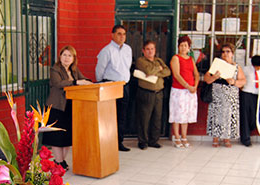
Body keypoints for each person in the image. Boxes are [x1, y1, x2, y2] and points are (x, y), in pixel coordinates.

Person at [45, 45, 92, 169]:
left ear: (73, 58)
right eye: (64, 55)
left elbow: (83, 79)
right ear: (60, 57)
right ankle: (59, 161)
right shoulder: (55, 69)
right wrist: (76, 82)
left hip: (70, 107)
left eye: (69, 56)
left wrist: (88, 82)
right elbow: (58, 83)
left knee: (66, 137)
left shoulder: (74, 70)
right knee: (56, 137)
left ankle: (60, 161)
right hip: (57, 107)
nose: (66, 58)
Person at [96, 24, 133, 152]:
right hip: (110, 86)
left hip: (124, 85)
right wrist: (103, 85)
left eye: (124, 34)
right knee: (110, 116)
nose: (122, 36)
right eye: (119, 34)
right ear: (112, 35)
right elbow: (99, 70)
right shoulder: (106, 50)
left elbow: (126, 67)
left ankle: (119, 142)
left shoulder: (128, 49)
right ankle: (108, 143)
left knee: (122, 116)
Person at [204, 43, 246, 147]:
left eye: (228, 51)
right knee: (216, 116)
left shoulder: (236, 67)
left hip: (231, 96)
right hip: (217, 95)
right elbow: (207, 79)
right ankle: (215, 138)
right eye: (223, 52)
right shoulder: (216, 65)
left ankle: (227, 138)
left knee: (229, 116)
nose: (225, 54)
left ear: (232, 54)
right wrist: (214, 77)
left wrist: (234, 82)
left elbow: (243, 81)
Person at [135, 39, 171, 150]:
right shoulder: (141, 61)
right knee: (144, 119)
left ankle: (153, 140)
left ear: (155, 50)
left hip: (159, 93)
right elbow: (149, 71)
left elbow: (167, 72)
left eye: (152, 49)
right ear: (143, 50)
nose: (150, 51)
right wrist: (158, 70)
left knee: (157, 118)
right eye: (147, 49)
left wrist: (155, 70)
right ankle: (143, 141)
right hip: (146, 93)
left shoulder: (159, 60)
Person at [168, 35, 199, 149]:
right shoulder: (175, 58)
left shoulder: (191, 59)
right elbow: (176, 75)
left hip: (190, 91)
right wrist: (187, 86)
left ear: (189, 47)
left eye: (185, 45)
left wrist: (194, 86)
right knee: (177, 114)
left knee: (185, 115)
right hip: (179, 90)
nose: (183, 48)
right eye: (181, 45)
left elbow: (196, 74)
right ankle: (176, 136)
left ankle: (184, 136)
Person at [239, 55, 260, 147]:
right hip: (246, 94)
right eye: (257, 66)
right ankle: (245, 139)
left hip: (257, 95)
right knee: (245, 116)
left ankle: (249, 130)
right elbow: (240, 80)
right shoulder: (245, 70)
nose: (258, 68)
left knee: (254, 117)